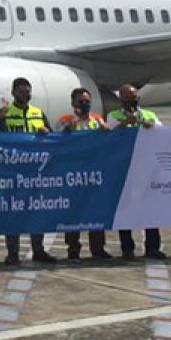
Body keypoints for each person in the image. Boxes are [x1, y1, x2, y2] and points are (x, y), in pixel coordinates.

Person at [0, 77, 56, 265]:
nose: (25, 94)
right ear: (13, 93)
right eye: (21, 91)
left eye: (27, 91)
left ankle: (38, 249)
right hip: (12, 172)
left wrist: (46, 131)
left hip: (35, 171)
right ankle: (13, 253)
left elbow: (51, 138)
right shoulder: (2, 114)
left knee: (37, 210)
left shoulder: (38, 113)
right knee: (13, 212)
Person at [106, 83, 165, 260]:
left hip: (146, 167)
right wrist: (125, 123)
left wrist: (151, 127)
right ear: (120, 99)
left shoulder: (149, 115)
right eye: (126, 97)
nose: (130, 101)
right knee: (126, 210)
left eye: (133, 97)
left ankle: (152, 247)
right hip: (125, 168)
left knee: (150, 209)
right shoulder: (113, 116)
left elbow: (164, 134)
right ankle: (127, 248)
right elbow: (108, 136)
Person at [57, 88, 111, 261]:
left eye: (87, 101)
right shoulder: (66, 119)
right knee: (73, 212)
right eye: (81, 101)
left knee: (96, 210)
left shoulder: (97, 119)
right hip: (74, 173)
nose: (84, 104)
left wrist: (106, 131)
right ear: (73, 103)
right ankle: (73, 249)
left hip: (94, 172)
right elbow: (57, 138)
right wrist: (68, 129)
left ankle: (98, 248)